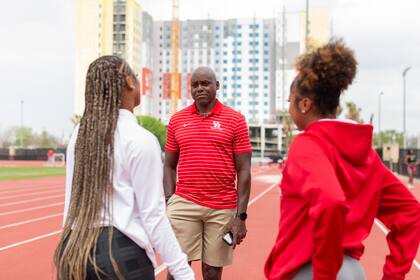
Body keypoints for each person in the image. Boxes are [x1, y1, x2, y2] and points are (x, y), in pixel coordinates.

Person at [264, 39, 420, 280]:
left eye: (289, 102)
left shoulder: (306, 146)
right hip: (354, 272)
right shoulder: (368, 155)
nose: (290, 109)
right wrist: (394, 276)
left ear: (305, 105)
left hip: (308, 270)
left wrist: (326, 275)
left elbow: (330, 201)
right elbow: (411, 212)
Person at [54, 56, 194, 280]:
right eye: (136, 77)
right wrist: (183, 272)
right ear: (129, 81)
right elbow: (154, 215)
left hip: (74, 250)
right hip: (120, 256)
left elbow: (71, 202)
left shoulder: (80, 134)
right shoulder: (141, 139)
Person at [164, 66, 252, 280]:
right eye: (195, 85)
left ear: (217, 86)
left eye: (205, 83)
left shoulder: (235, 120)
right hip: (184, 203)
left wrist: (240, 217)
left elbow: (244, 170)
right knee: (177, 268)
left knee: (212, 272)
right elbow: (168, 166)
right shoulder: (176, 120)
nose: (199, 88)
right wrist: (169, 201)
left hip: (221, 207)